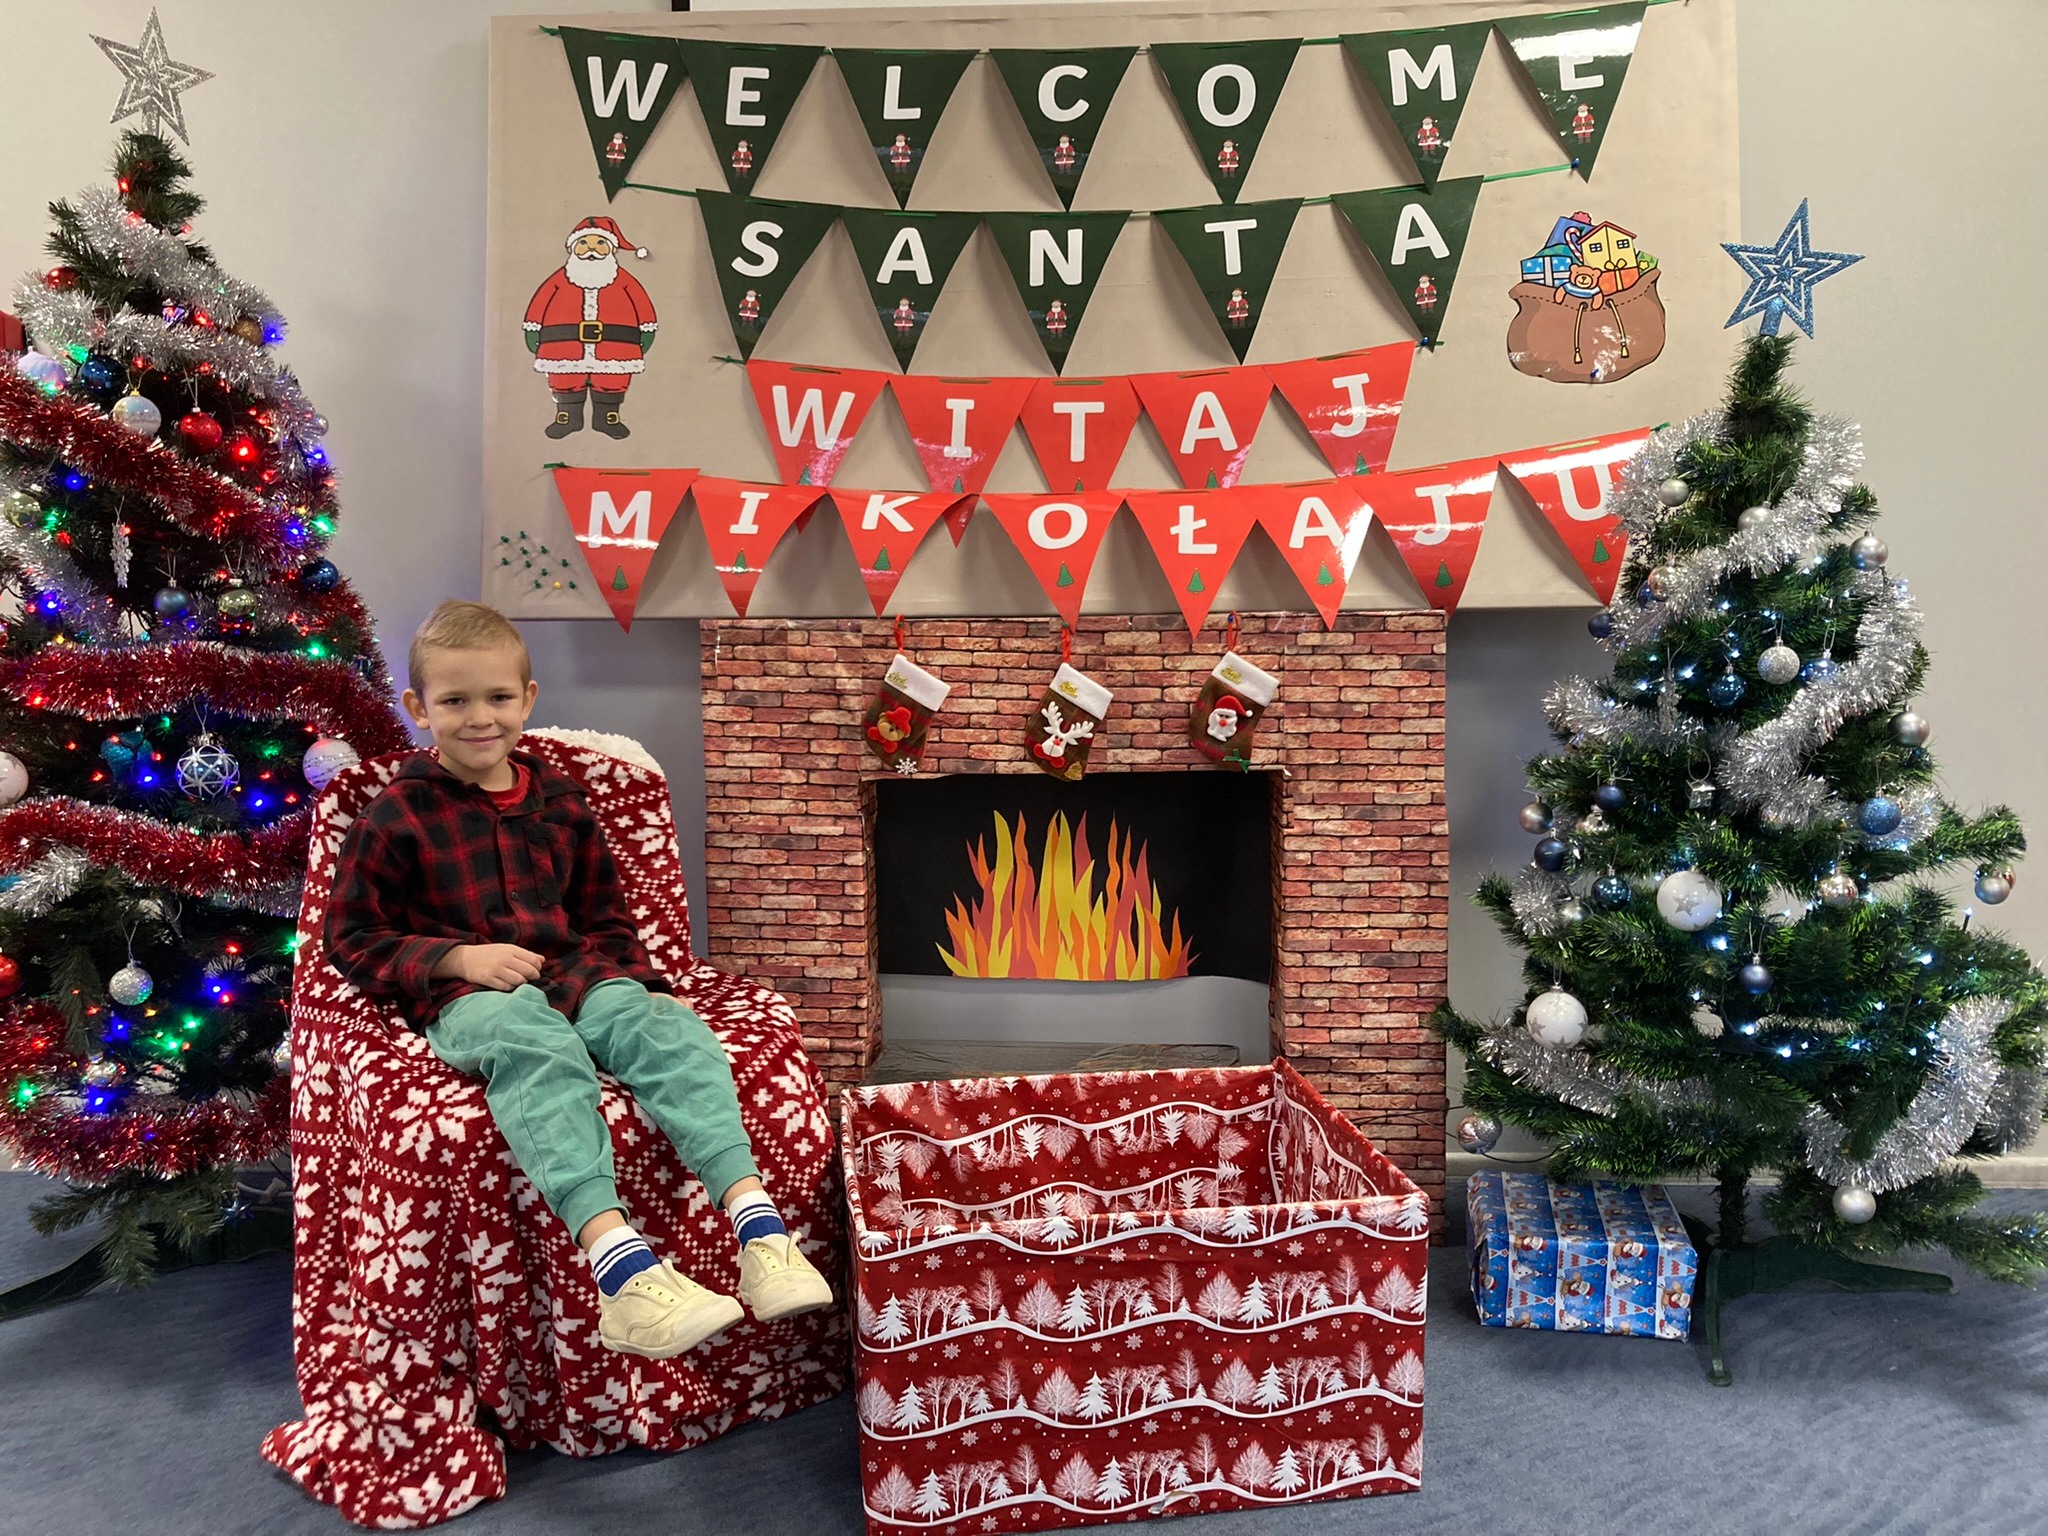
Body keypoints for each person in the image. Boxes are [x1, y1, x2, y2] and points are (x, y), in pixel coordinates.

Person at [324, 599, 832, 1358]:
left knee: (662, 1025)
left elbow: (605, 916)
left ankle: (760, 1233)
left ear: (527, 699)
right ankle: (623, 1274)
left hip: (573, 970)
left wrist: (622, 988)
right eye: (455, 701)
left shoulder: (562, 802)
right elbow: (351, 938)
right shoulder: (395, 815)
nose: (480, 718)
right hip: (470, 994)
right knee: (535, 1044)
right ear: (419, 709)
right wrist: (455, 959)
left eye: (498, 697)